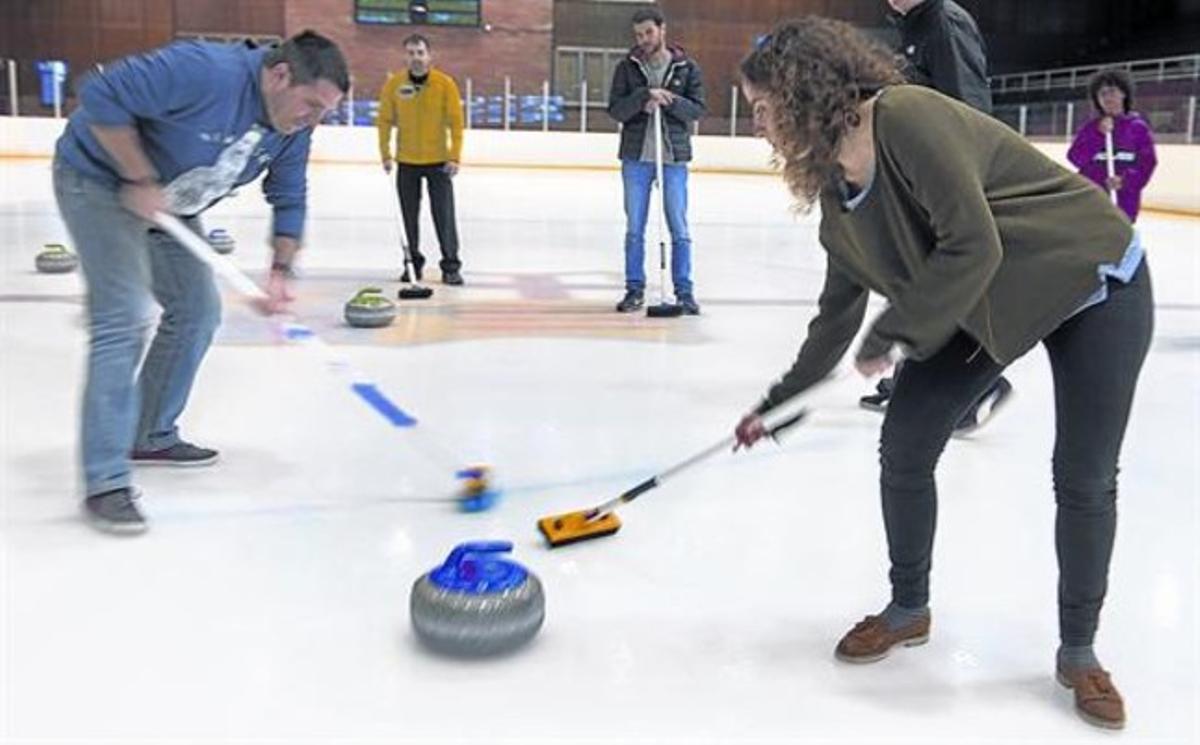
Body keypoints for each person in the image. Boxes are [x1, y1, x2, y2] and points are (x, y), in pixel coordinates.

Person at [734, 18, 1151, 730]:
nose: (760, 124)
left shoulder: (907, 118)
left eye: (764, 106)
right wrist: (777, 405)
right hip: (987, 303)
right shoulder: (839, 203)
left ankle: (1079, 650)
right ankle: (908, 607)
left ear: (804, 94)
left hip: (1091, 280)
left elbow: (972, 244)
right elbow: (834, 321)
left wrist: (897, 331)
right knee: (905, 440)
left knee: (1083, 476)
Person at [53, 31, 349, 535]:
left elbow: (289, 194)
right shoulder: (204, 71)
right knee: (123, 317)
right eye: (311, 105)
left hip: (172, 204)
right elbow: (98, 91)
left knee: (198, 312)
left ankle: (148, 433)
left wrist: (281, 272)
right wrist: (138, 176)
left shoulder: (294, 128)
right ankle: (105, 481)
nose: (313, 120)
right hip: (100, 183)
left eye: (325, 112)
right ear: (279, 76)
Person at [863, 0, 1011, 429]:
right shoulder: (912, 24)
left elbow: (967, 104)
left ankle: (975, 386)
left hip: (946, 175)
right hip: (921, 172)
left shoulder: (943, 21)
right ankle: (914, 380)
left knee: (937, 281)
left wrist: (956, 181)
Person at [607, 7, 706, 314]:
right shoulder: (627, 67)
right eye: (638, 34)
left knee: (679, 227)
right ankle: (634, 289)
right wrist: (643, 100)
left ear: (662, 29)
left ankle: (684, 292)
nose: (644, 39)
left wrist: (671, 101)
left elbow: (697, 110)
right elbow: (616, 110)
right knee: (635, 227)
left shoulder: (687, 68)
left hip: (673, 159)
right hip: (636, 159)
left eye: (649, 32)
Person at [376, 34, 465, 286]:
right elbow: (384, 121)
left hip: (439, 163)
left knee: (444, 216)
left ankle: (451, 266)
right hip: (407, 162)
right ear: (405, 56)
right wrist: (385, 153)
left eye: (420, 52)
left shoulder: (444, 84)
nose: (416, 58)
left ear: (429, 55)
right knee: (408, 218)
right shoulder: (394, 85)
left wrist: (454, 156)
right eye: (411, 53)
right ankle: (412, 264)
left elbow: (456, 123)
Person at [1068, 68, 1158, 223]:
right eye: (1102, 93)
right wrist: (1098, 135)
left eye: (1112, 91)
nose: (1107, 97)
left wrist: (1125, 181)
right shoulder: (1090, 128)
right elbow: (1075, 157)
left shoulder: (1137, 128)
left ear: (1123, 93)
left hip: (1123, 204)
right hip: (1092, 203)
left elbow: (1147, 163)